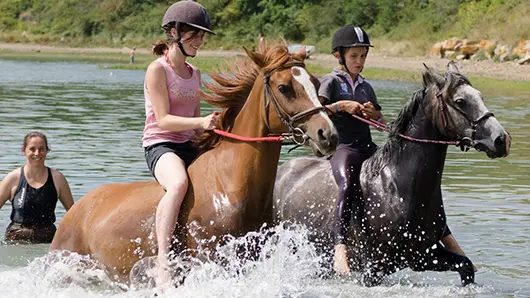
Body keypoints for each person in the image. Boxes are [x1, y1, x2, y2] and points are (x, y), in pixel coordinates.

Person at [319, 25, 476, 275]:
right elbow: (319, 112)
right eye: (354, 56)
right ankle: (340, 247)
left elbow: (380, 123)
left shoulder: (365, 86)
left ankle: (449, 242)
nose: (359, 61)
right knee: (348, 184)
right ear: (339, 56)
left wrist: (374, 114)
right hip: (345, 149)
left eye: (363, 56)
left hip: (368, 147)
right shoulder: (330, 82)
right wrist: (342, 106)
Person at [142, 0, 219, 287]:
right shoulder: (157, 70)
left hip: (189, 143)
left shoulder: (195, 73)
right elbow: (163, 120)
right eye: (195, 34)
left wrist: (213, 136)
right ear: (174, 33)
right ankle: (162, 262)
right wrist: (199, 124)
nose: (200, 41)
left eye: (201, 35)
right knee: (178, 185)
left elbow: (196, 124)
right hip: (161, 145)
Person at [0, 131, 74, 243]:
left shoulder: (58, 179)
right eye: (32, 149)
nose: (37, 153)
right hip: (16, 241)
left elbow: (73, 213)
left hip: (47, 240)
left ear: (46, 151)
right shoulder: (12, 178)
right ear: (23, 151)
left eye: (41, 149)